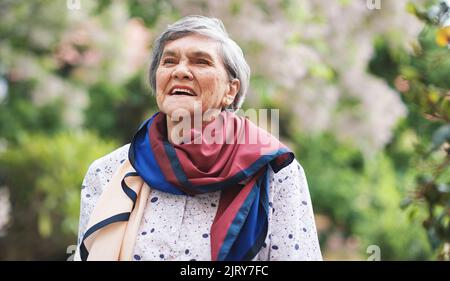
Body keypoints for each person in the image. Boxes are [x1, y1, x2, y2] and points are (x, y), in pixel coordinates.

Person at [74, 15, 322, 261]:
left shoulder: (274, 173)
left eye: (201, 62)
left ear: (230, 90)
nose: (180, 71)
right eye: (169, 61)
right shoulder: (107, 172)